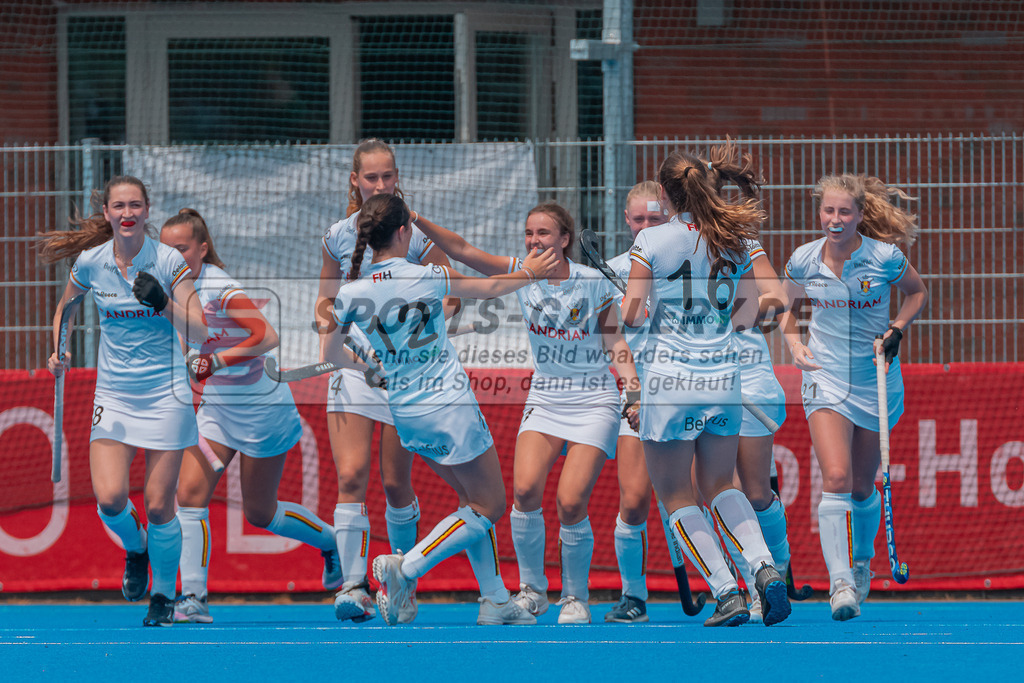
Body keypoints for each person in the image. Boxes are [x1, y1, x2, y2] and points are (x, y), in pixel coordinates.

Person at [328, 193, 559, 626]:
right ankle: (406, 566)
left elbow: (333, 352)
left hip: (405, 410)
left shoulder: (350, 293)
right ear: (403, 232)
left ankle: (494, 599)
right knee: (489, 504)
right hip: (449, 405)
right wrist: (529, 273)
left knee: (471, 502)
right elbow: (490, 286)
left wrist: (370, 369)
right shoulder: (427, 275)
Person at [411, 202, 641, 625]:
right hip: (546, 396)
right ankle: (533, 591)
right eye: (529, 233)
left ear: (565, 239)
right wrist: (416, 219)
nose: (535, 241)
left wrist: (632, 390)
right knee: (525, 492)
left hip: (594, 400)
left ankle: (576, 598)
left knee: (570, 502)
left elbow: (616, 344)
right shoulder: (523, 271)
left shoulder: (593, 282)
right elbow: (462, 251)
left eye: (544, 234)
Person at [620, 145, 792, 627]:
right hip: (725, 378)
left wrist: (640, 305)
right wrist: (733, 316)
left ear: (662, 192)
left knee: (677, 494)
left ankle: (726, 593)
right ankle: (762, 567)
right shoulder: (736, 235)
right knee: (720, 485)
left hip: (671, 380)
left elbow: (632, 314)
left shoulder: (651, 241)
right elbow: (776, 300)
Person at [159, 209, 344, 624]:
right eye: (166, 249)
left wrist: (217, 361)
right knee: (189, 495)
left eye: (181, 249)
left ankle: (331, 541)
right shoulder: (171, 290)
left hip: (263, 411)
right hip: (218, 412)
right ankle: (193, 598)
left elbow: (267, 336)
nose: (172, 257)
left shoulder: (220, 287)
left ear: (202, 249)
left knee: (260, 513)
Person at [40, 176, 207, 626]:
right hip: (114, 394)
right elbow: (66, 309)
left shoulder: (168, 260)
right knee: (111, 498)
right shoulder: (91, 262)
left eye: (136, 205)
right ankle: (137, 550)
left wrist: (164, 304)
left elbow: (200, 332)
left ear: (147, 211)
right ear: (109, 213)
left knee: (158, 506)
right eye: (120, 206)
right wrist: (60, 348)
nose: (128, 212)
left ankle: (163, 595)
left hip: (166, 395)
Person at [314, 138, 457, 623]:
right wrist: (327, 330)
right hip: (355, 372)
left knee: (397, 482)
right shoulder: (337, 235)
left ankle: (401, 583)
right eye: (371, 177)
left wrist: (428, 321)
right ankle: (352, 587)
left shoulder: (410, 231)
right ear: (354, 180)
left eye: (388, 176)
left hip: (404, 372)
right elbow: (325, 300)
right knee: (352, 476)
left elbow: (450, 288)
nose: (380, 184)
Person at [778, 173, 927, 621]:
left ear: (861, 214)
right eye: (829, 211)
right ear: (819, 212)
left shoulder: (884, 257)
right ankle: (839, 582)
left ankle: (861, 563)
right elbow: (783, 308)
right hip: (824, 376)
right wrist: (794, 344)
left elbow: (917, 294)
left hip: (875, 376)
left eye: (845, 212)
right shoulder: (804, 259)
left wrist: (897, 329)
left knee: (864, 487)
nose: (836, 220)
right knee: (837, 477)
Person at [603, 181, 669, 623]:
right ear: (628, 222)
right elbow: (614, 335)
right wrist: (634, 389)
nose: (647, 226)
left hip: (689, 392)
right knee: (634, 500)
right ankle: (634, 596)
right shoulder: (611, 270)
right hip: (639, 397)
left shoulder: (688, 262)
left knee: (715, 491)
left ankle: (742, 585)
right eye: (640, 219)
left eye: (656, 218)